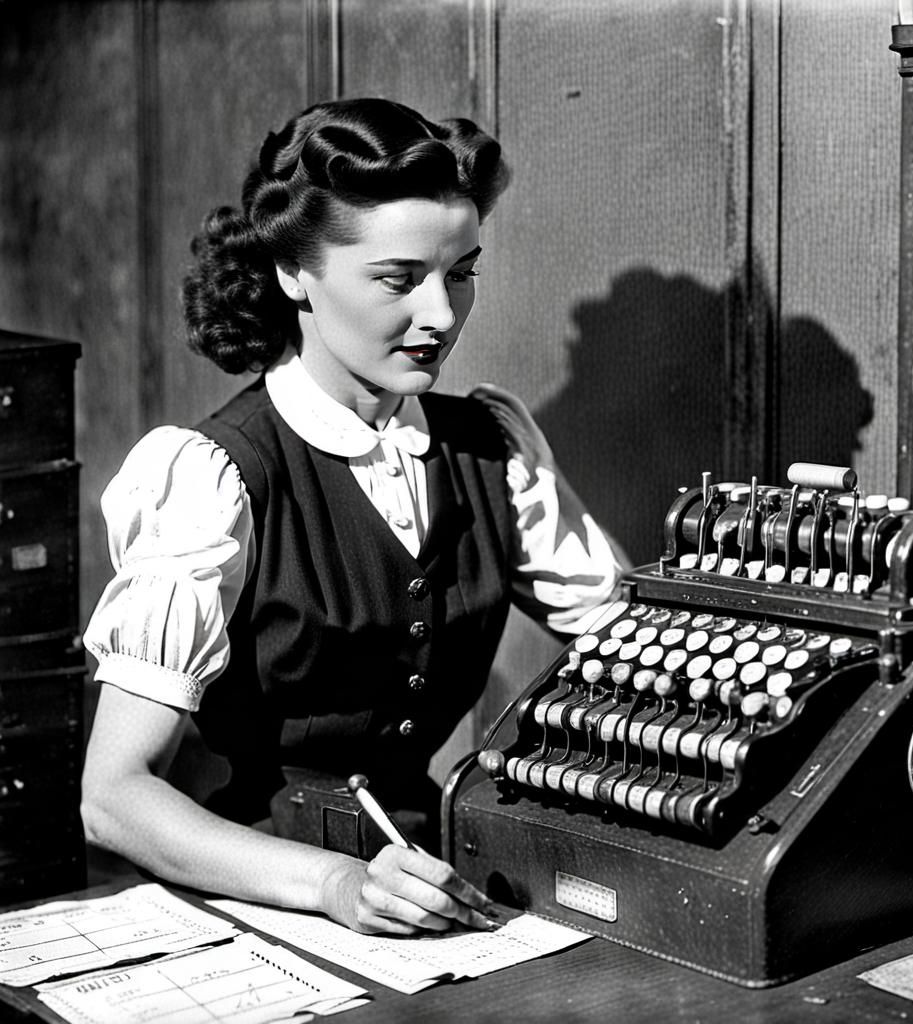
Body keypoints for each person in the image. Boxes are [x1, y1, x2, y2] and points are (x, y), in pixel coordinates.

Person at [80, 97, 623, 937]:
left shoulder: (492, 448)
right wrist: (334, 884)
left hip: (429, 888)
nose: (441, 315)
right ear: (294, 273)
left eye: (463, 272)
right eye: (399, 280)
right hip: (251, 902)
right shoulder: (215, 476)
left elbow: (626, 637)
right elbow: (114, 799)